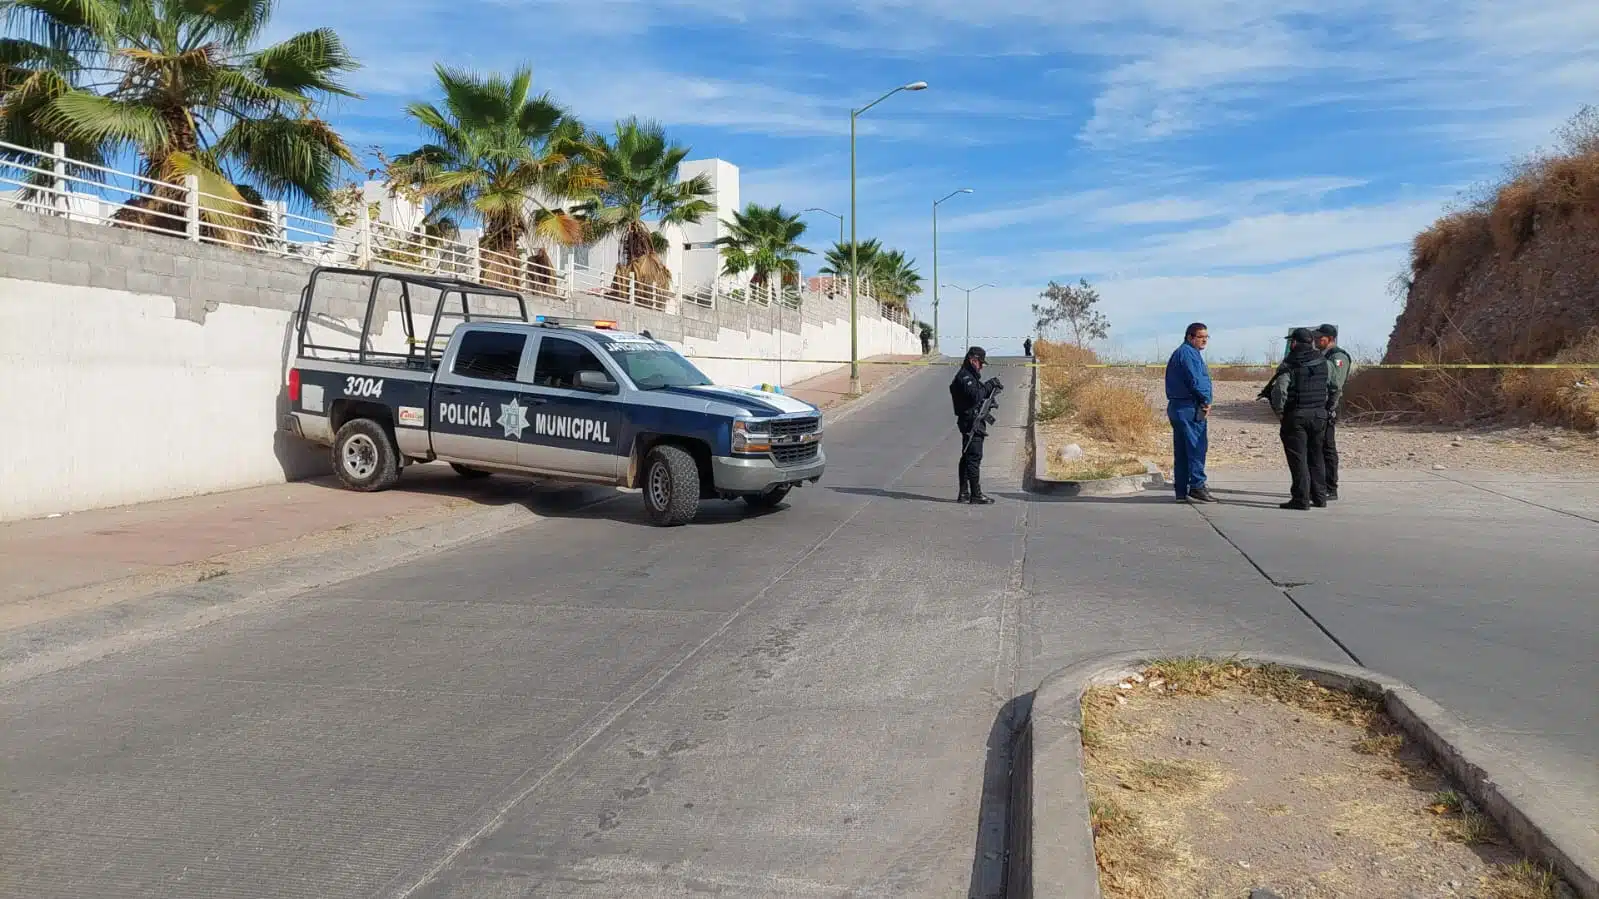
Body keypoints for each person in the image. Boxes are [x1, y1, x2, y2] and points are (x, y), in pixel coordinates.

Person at [1270, 327, 1332, 510]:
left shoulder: (1289, 363)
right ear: (1311, 342)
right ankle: (1320, 497)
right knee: (1317, 455)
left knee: (1298, 458)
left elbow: (1280, 390)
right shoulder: (1323, 361)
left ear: (1295, 343)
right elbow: (1334, 385)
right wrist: (1328, 407)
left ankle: (1301, 499)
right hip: (1319, 415)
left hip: (1296, 415)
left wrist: (1280, 412)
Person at [1164, 323, 1216, 503]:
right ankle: (1197, 486)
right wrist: (1206, 400)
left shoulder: (1185, 353)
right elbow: (1196, 381)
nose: (1204, 340)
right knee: (1196, 447)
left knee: (1183, 450)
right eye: (1201, 337)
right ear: (1190, 337)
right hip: (1189, 407)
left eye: (1206, 337)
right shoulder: (1188, 354)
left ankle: (1181, 490)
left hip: (1179, 407)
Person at [950, 346, 998, 504]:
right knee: (974, 457)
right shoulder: (965, 377)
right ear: (973, 360)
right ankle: (976, 494)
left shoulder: (970, 376)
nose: (982, 366)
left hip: (972, 419)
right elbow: (976, 395)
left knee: (967, 457)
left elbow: (978, 396)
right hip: (971, 422)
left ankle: (964, 493)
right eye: (980, 363)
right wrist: (989, 385)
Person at [1315, 324, 1353, 501]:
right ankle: (1321, 485)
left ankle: (1331, 487)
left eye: (1320, 338)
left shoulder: (1338, 357)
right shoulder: (1324, 356)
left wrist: (1330, 408)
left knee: (1328, 448)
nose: (1317, 341)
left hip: (1329, 406)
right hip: (1321, 406)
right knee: (1319, 447)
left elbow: (1336, 385)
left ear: (1330, 339)